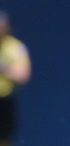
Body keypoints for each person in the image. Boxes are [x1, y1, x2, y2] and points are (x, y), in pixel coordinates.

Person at [0, 12, 31, 146]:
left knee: (4, 138)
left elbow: (23, 74)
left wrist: (4, 69)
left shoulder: (15, 48)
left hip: (4, 102)